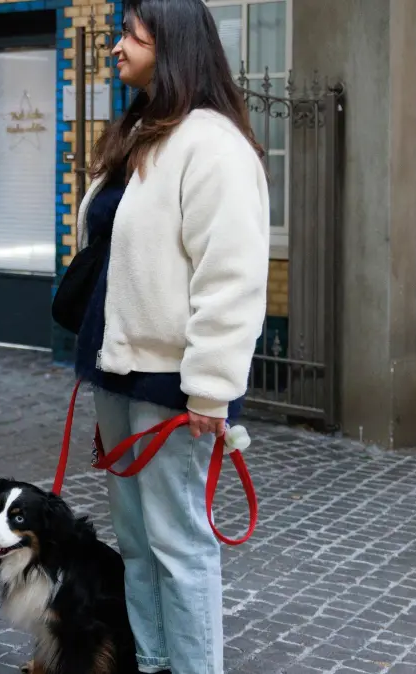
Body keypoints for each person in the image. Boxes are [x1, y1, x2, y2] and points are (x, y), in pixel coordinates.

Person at [71, 0, 269, 672]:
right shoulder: (144, 130)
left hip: (172, 384)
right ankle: (152, 663)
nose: (116, 46)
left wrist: (211, 390)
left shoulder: (212, 145)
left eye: (130, 34)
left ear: (171, 44)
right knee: (137, 543)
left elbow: (232, 275)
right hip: (117, 369)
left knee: (179, 547)